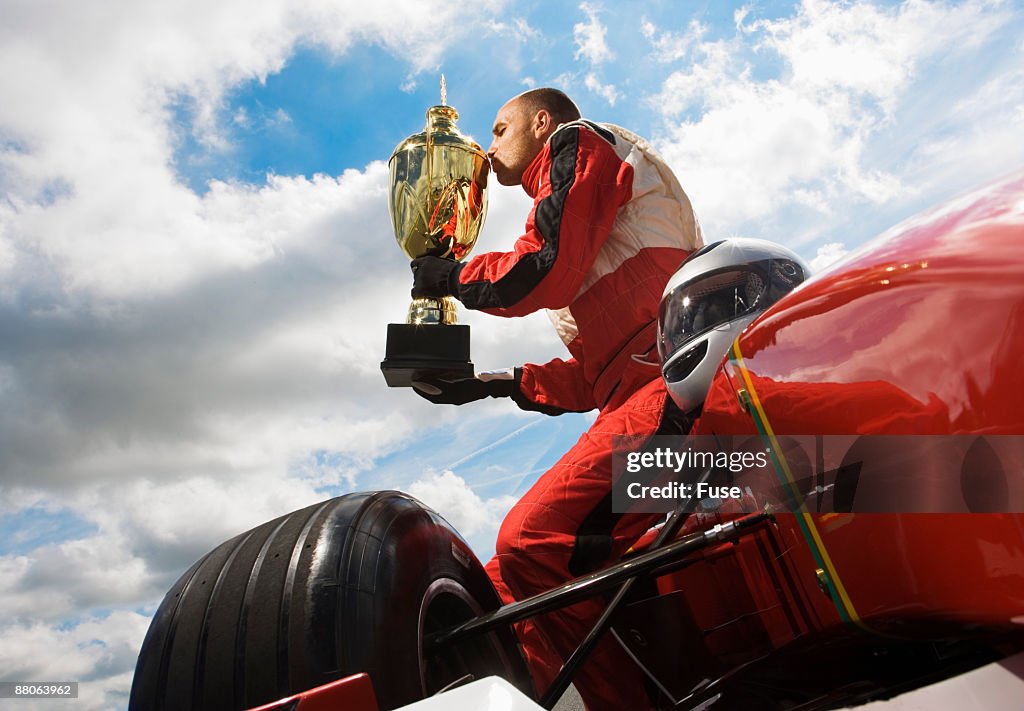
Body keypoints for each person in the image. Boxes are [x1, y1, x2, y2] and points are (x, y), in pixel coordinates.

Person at [409, 87, 703, 710]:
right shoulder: (583, 216)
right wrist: (491, 383)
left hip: (679, 396)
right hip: (639, 398)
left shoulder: (580, 143)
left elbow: (548, 265)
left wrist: (455, 278)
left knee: (531, 542)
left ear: (541, 123)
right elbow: (595, 376)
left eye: (497, 129)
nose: (487, 151)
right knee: (494, 593)